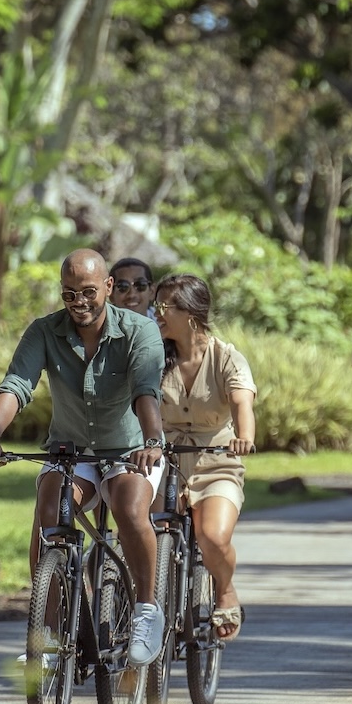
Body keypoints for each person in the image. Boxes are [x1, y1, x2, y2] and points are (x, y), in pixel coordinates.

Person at [0, 248, 168, 666]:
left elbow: (145, 390)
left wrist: (153, 438)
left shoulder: (139, 331)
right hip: (71, 451)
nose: (80, 303)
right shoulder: (45, 331)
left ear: (109, 288)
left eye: (89, 293)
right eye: (70, 294)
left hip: (131, 449)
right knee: (49, 510)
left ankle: (147, 610)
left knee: (131, 509)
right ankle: (47, 631)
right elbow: (16, 385)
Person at [152, 272, 256, 641]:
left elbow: (243, 401)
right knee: (138, 532)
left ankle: (224, 589)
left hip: (217, 462)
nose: (157, 312)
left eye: (165, 306)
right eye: (157, 304)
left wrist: (245, 437)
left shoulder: (226, 357)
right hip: (162, 461)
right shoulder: (153, 354)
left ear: (192, 314)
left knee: (212, 536)